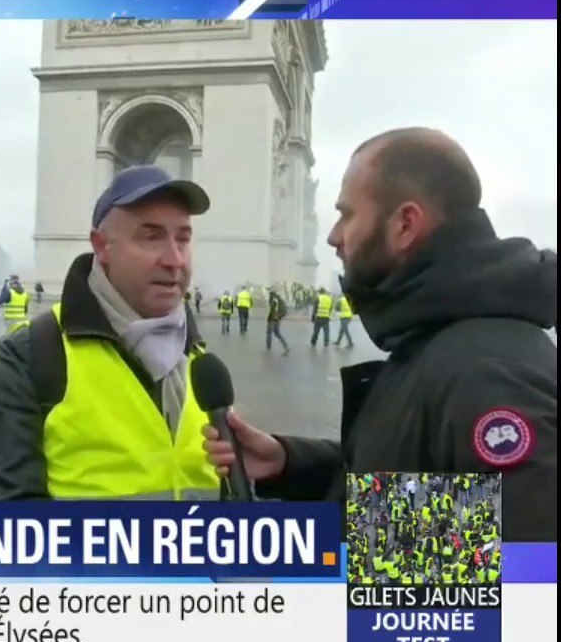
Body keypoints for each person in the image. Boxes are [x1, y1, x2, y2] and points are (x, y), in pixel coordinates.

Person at [202, 128, 557, 541]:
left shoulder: (488, 373)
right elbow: (414, 482)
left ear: (405, 224)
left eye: (347, 214)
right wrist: (290, 462)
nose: (334, 235)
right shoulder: (442, 335)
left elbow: (524, 578)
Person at [0, 165, 220, 500]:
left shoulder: (200, 359)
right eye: (151, 236)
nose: (175, 259)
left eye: (183, 239)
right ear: (101, 246)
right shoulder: (25, 357)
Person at [266, 286, 290, 356]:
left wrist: (272, 317)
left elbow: (273, 309)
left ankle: (268, 348)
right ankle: (286, 346)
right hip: (277, 318)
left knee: (269, 333)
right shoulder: (279, 299)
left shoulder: (273, 299)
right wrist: (279, 317)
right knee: (277, 333)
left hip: (273, 318)